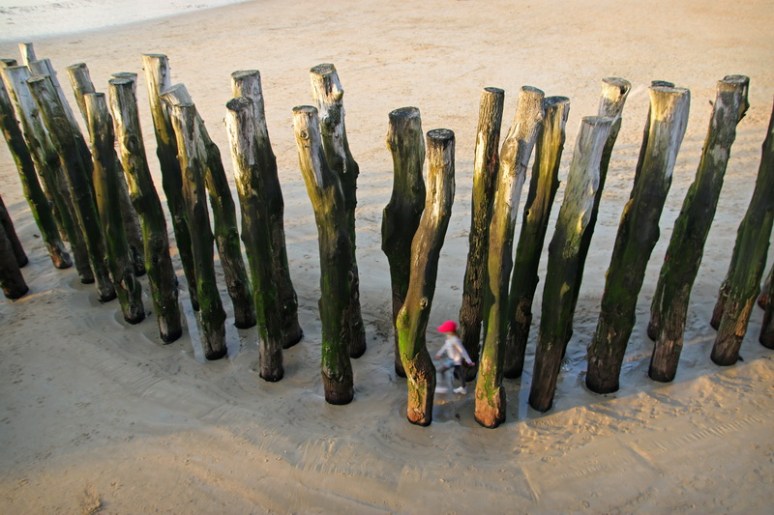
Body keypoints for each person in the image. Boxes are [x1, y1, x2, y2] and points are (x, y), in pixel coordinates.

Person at [434, 320, 475, 394]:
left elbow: (462, 351)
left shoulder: (455, 340)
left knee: (441, 371)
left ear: (449, 331)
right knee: (460, 374)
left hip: (455, 360)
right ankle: (463, 388)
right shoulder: (449, 338)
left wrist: (468, 361)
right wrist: (439, 354)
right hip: (452, 359)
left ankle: (442, 387)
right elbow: (445, 347)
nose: (444, 332)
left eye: (445, 330)